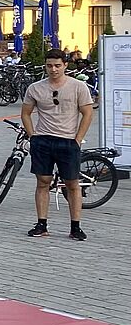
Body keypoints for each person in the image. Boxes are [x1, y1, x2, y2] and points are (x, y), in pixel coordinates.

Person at [22, 49, 95, 240]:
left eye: (57, 65)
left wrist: (78, 139)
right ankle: (41, 224)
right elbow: (26, 113)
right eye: (49, 66)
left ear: (65, 65)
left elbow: (87, 113)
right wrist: (33, 136)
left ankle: (75, 227)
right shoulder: (35, 88)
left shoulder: (78, 87)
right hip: (43, 140)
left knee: (72, 184)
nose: (53, 69)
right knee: (43, 182)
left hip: (68, 141)